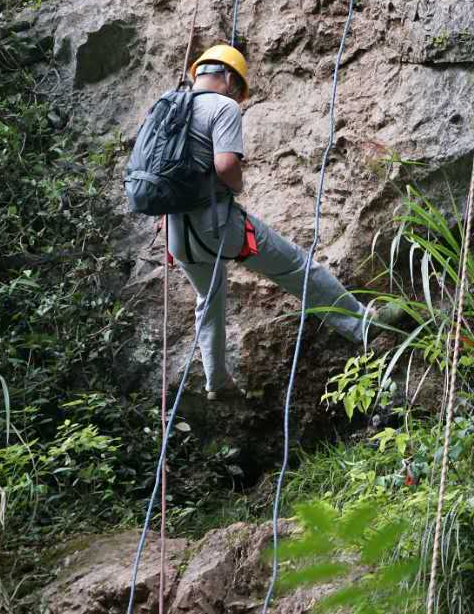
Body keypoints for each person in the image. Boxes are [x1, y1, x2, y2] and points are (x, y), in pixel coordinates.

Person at [162, 44, 393, 400]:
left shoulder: (167, 107)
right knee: (296, 267)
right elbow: (225, 166)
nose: (237, 98)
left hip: (176, 233)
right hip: (218, 226)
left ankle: (216, 380)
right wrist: (238, 185)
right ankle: (363, 324)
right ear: (227, 78)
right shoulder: (221, 107)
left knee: (208, 298)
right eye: (237, 90)